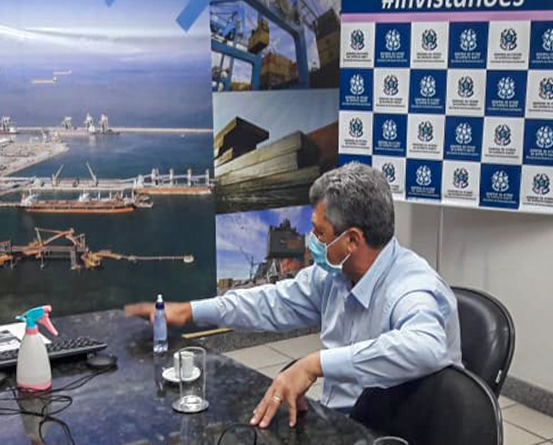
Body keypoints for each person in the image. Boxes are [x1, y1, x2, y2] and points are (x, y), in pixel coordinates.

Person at [125, 163, 462, 427]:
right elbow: (271, 302)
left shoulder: (412, 285)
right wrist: (191, 311)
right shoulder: (335, 275)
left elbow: (425, 347)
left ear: (352, 240)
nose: (311, 243)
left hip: (396, 441)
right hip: (343, 426)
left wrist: (316, 364)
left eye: (319, 233)